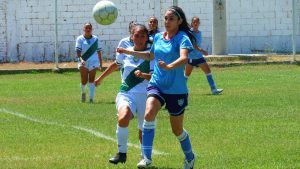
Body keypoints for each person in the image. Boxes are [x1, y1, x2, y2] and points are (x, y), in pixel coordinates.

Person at [117, 6, 196, 169]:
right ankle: (146, 158)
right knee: (149, 112)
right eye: (166, 18)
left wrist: (169, 66)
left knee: (177, 130)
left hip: (176, 89)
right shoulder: (159, 37)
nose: (167, 21)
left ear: (179, 21)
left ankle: (190, 157)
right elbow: (149, 55)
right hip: (157, 84)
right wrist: (128, 51)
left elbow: (184, 58)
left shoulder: (183, 38)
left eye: (171, 19)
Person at [95, 24, 154, 165]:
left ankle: (145, 158)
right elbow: (116, 65)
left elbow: (155, 77)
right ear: (131, 37)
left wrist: (144, 75)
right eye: (136, 35)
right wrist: (101, 78)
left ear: (147, 37)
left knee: (143, 130)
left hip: (146, 95)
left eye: (142, 35)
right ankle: (121, 154)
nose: (139, 38)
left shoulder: (151, 54)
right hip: (127, 93)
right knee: (123, 116)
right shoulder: (125, 52)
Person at [185, 16, 223, 95]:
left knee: (208, 71)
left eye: (197, 22)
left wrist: (201, 52)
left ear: (199, 23)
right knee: (186, 75)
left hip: (199, 57)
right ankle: (180, 90)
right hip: (191, 57)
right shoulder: (190, 33)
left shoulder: (200, 33)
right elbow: (194, 45)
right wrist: (203, 51)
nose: (195, 23)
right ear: (192, 23)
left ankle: (214, 90)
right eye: (194, 22)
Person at [75, 23, 102, 103]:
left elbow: (99, 52)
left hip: (94, 61)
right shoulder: (80, 39)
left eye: (89, 28)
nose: (88, 29)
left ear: (91, 29)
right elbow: (78, 51)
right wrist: (81, 59)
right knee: (84, 80)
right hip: (83, 61)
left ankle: (91, 98)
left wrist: (100, 64)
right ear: (84, 29)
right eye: (86, 28)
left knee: (91, 80)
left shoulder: (95, 39)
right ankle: (83, 93)